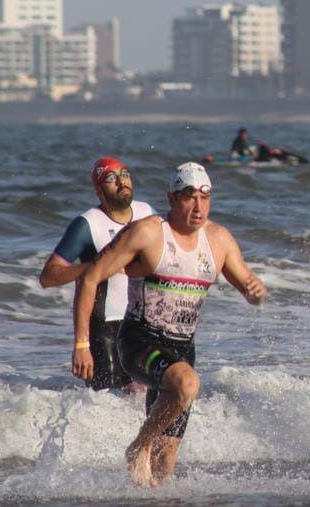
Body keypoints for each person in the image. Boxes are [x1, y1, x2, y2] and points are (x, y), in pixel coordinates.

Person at [71, 161, 267, 487]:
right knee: (187, 385)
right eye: (190, 197)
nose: (198, 206)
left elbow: (249, 285)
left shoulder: (219, 240)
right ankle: (138, 446)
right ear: (172, 198)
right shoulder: (148, 233)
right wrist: (81, 344)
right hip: (139, 342)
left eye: (205, 197)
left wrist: (256, 292)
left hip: (182, 350)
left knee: (166, 463)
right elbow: (91, 277)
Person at [39, 156, 155, 392]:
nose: (122, 182)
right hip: (105, 329)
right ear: (99, 192)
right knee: (108, 403)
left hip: (143, 323)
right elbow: (48, 276)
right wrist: (100, 265)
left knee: (146, 398)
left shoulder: (147, 213)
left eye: (125, 174)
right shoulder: (87, 224)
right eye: (111, 178)